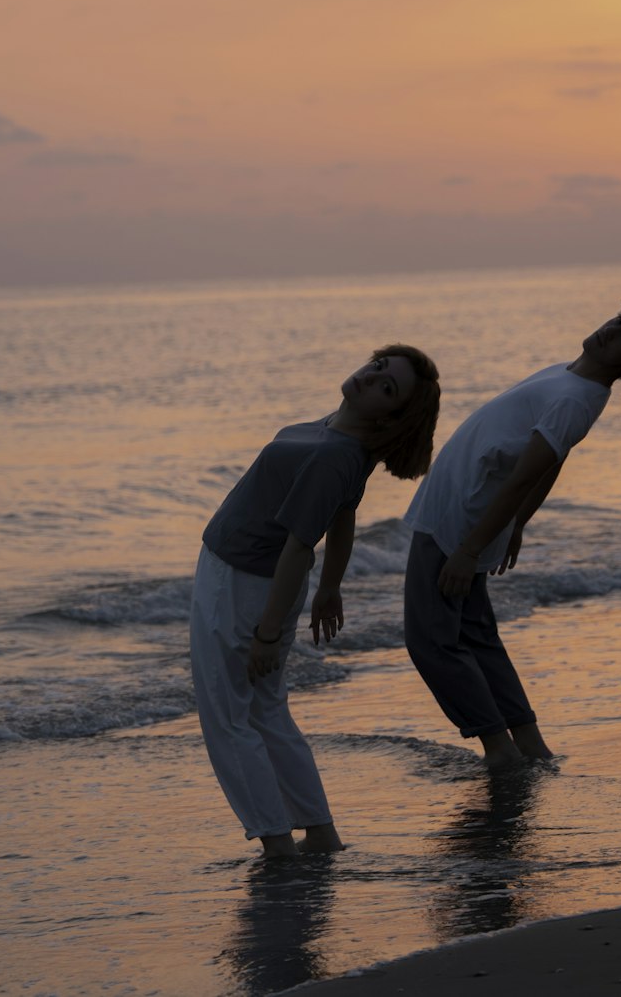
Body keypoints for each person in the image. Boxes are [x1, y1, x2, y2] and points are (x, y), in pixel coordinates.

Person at [403, 294, 621, 769]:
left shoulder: (576, 398)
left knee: (432, 643)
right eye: (620, 321)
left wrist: (472, 549)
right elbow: (552, 462)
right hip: (468, 511)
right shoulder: (570, 378)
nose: (611, 332)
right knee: (475, 635)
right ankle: (529, 744)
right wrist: (517, 523)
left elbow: (525, 475)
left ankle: (499, 750)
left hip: (460, 520)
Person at [191, 343, 440, 857]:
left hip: (242, 585)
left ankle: (277, 844)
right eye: (377, 368)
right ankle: (319, 833)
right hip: (251, 581)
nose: (371, 380)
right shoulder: (342, 435)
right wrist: (329, 587)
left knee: (229, 718)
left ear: (392, 416)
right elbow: (345, 514)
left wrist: (266, 631)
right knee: (266, 712)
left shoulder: (335, 454)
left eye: (387, 387)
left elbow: (298, 544)